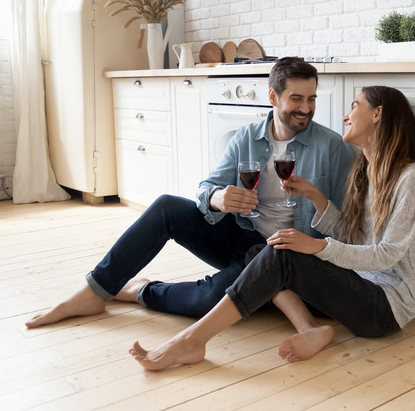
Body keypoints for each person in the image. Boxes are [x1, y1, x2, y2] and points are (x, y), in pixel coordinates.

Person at [127, 85, 415, 369]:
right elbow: (354, 238)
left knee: (281, 255)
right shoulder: (365, 172)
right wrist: (314, 195)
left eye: (354, 106)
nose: (346, 116)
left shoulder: (411, 177)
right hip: (359, 287)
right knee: (263, 249)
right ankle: (309, 328)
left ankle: (192, 341)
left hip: (386, 308)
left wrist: (318, 246)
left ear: (378, 114)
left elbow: (387, 255)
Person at [25, 57, 355, 328]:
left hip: (281, 254)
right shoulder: (246, 138)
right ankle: (94, 290)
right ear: (273, 97)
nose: (306, 108)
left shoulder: (331, 147)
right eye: (296, 99)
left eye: (311, 99)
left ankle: (142, 290)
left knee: (210, 301)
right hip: (242, 235)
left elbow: (347, 224)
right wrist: (218, 198)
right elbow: (206, 188)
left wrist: (314, 202)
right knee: (167, 207)